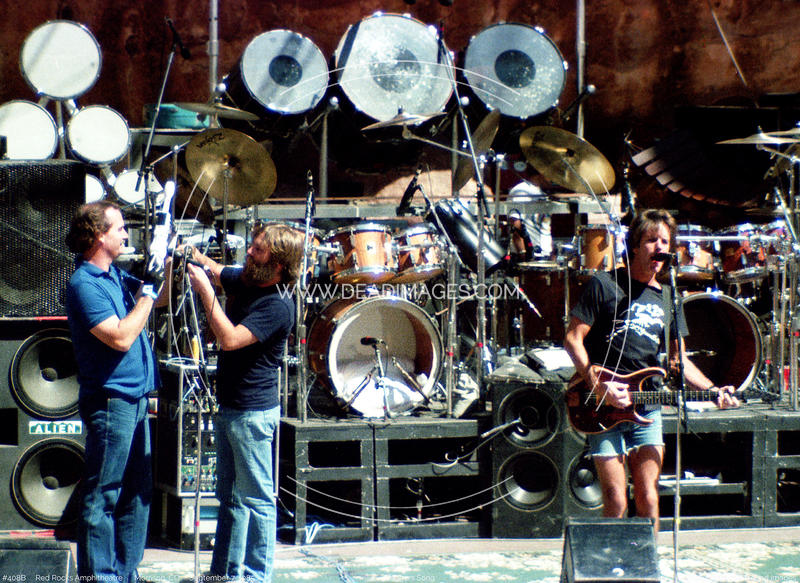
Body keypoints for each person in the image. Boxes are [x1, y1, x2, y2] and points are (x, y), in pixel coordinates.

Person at [563, 209, 739, 535]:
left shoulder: (668, 297)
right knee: (616, 500)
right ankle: (612, 567)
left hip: (647, 407)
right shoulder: (605, 285)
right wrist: (596, 384)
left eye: (664, 241)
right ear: (634, 245)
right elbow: (573, 339)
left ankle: (648, 567)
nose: (658, 247)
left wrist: (715, 391)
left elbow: (678, 361)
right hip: (603, 408)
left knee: (648, 496)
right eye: (651, 240)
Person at [184, 222, 304, 583]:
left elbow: (230, 339)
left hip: (252, 413)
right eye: (252, 246)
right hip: (231, 407)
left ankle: (255, 577)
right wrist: (191, 255)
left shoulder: (278, 305)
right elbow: (220, 271)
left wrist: (207, 294)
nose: (250, 253)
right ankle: (222, 574)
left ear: (278, 263)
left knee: (257, 500)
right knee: (230, 498)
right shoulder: (251, 278)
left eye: (258, 250)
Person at [65, 200, 167, 582]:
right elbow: (122, 337)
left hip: (136, 397)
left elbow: (159, 300)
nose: (126, 233)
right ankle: (100, 576)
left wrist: (163, 264)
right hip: (111, 399)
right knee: (103, 492)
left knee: (137, 494)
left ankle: (127, 572)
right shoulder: (84, 285)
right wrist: (148, 292)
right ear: (98, 235)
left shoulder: (114, 276)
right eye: (119, 228)